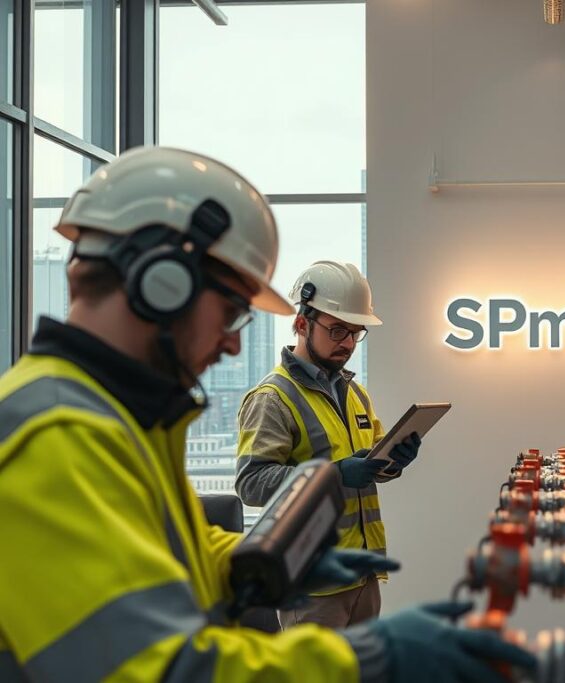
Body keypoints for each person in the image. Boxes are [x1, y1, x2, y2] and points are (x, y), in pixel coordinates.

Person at [0, 147, 534, 683]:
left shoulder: (105, 418)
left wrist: (260, 561)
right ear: (164, 286)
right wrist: (367, 659)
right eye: (231, 311)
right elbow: (162, 671)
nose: (233, 343)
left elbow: (173, 540)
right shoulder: (54, 435)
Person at [235, 260, 419, 629]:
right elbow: (251, 485)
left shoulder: (355, 394)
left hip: (362, 574)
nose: (349, 343)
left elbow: (368, 465)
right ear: (302, 324)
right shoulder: (273, 397)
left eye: (355, 332)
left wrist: (393, 460)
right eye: (337, 331)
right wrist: (334, 474)